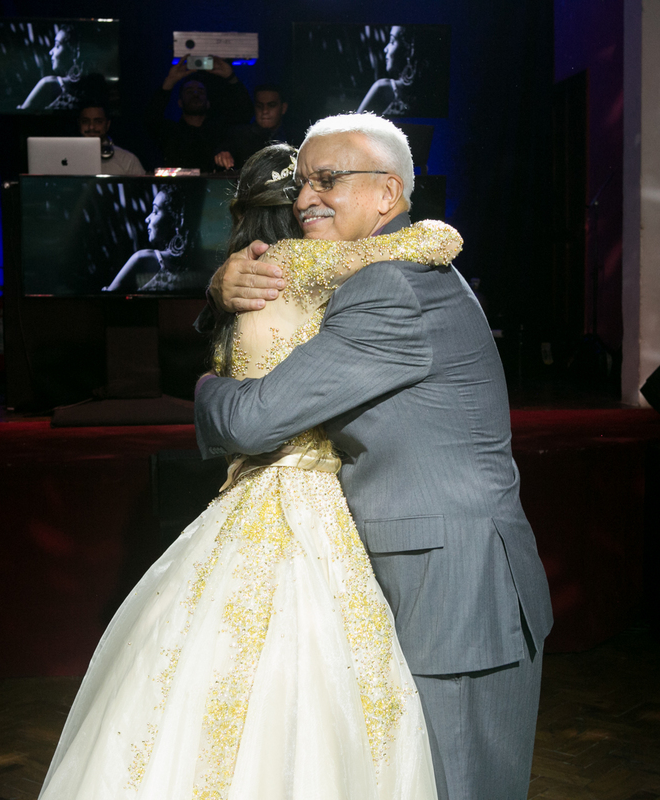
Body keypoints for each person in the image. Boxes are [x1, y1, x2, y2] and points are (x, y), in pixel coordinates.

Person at [38, 144, 462, 800]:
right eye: (313, 191)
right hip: (306, 496)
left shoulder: (240, 291)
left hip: (242, 494)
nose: (318, 203)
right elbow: (427, 243)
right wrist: (427, 225)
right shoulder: (298, 266)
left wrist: (215, 282)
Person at [197, 113, 553, 800]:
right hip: (436, 583)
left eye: (328, 180)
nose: (304, 199)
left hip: (454, 596)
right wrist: (221, 285)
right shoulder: (393, 266)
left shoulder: (391, 288)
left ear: (388, 196)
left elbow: (253, 419)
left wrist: (206, 388)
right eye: (302, 183)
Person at [144, 56, 252, 172]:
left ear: (208, 103)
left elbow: (245, 113)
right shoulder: (171, 132)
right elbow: (151, 118)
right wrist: (170, 81)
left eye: (200, 92)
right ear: (180, 102)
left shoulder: (219, 131)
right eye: (189, 91)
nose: (195, 94)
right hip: (180, 188)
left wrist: (231, 77)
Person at [102, 184, 195, 292]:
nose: (147, 219)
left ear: (177, 220)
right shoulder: (200, 265)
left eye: (155, 211)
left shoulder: (143, 260)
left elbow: (106, 302)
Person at [214, 84, 295, 171]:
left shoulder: (295, 136)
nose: (265, 111)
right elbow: (223, 151)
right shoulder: (239, 135)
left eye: (271, 105)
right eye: (259, 106)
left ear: (283, 108)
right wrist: (222, 155)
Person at [18, 24, 95, 111]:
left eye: (57, 46)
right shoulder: (95, 88)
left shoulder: (49, 84)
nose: (51, 52)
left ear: (74, 52)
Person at [358, 26, 421, 116]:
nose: (385, 49)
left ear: (408, 50)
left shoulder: (384, 89)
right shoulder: (382, 88)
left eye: (392, 42)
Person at [78, 104, 145, 176]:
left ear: (107, 124)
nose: (91, 127)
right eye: (85, 121)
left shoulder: (127, 160)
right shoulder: (66, 158)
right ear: (79, 124)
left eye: (98, 122)